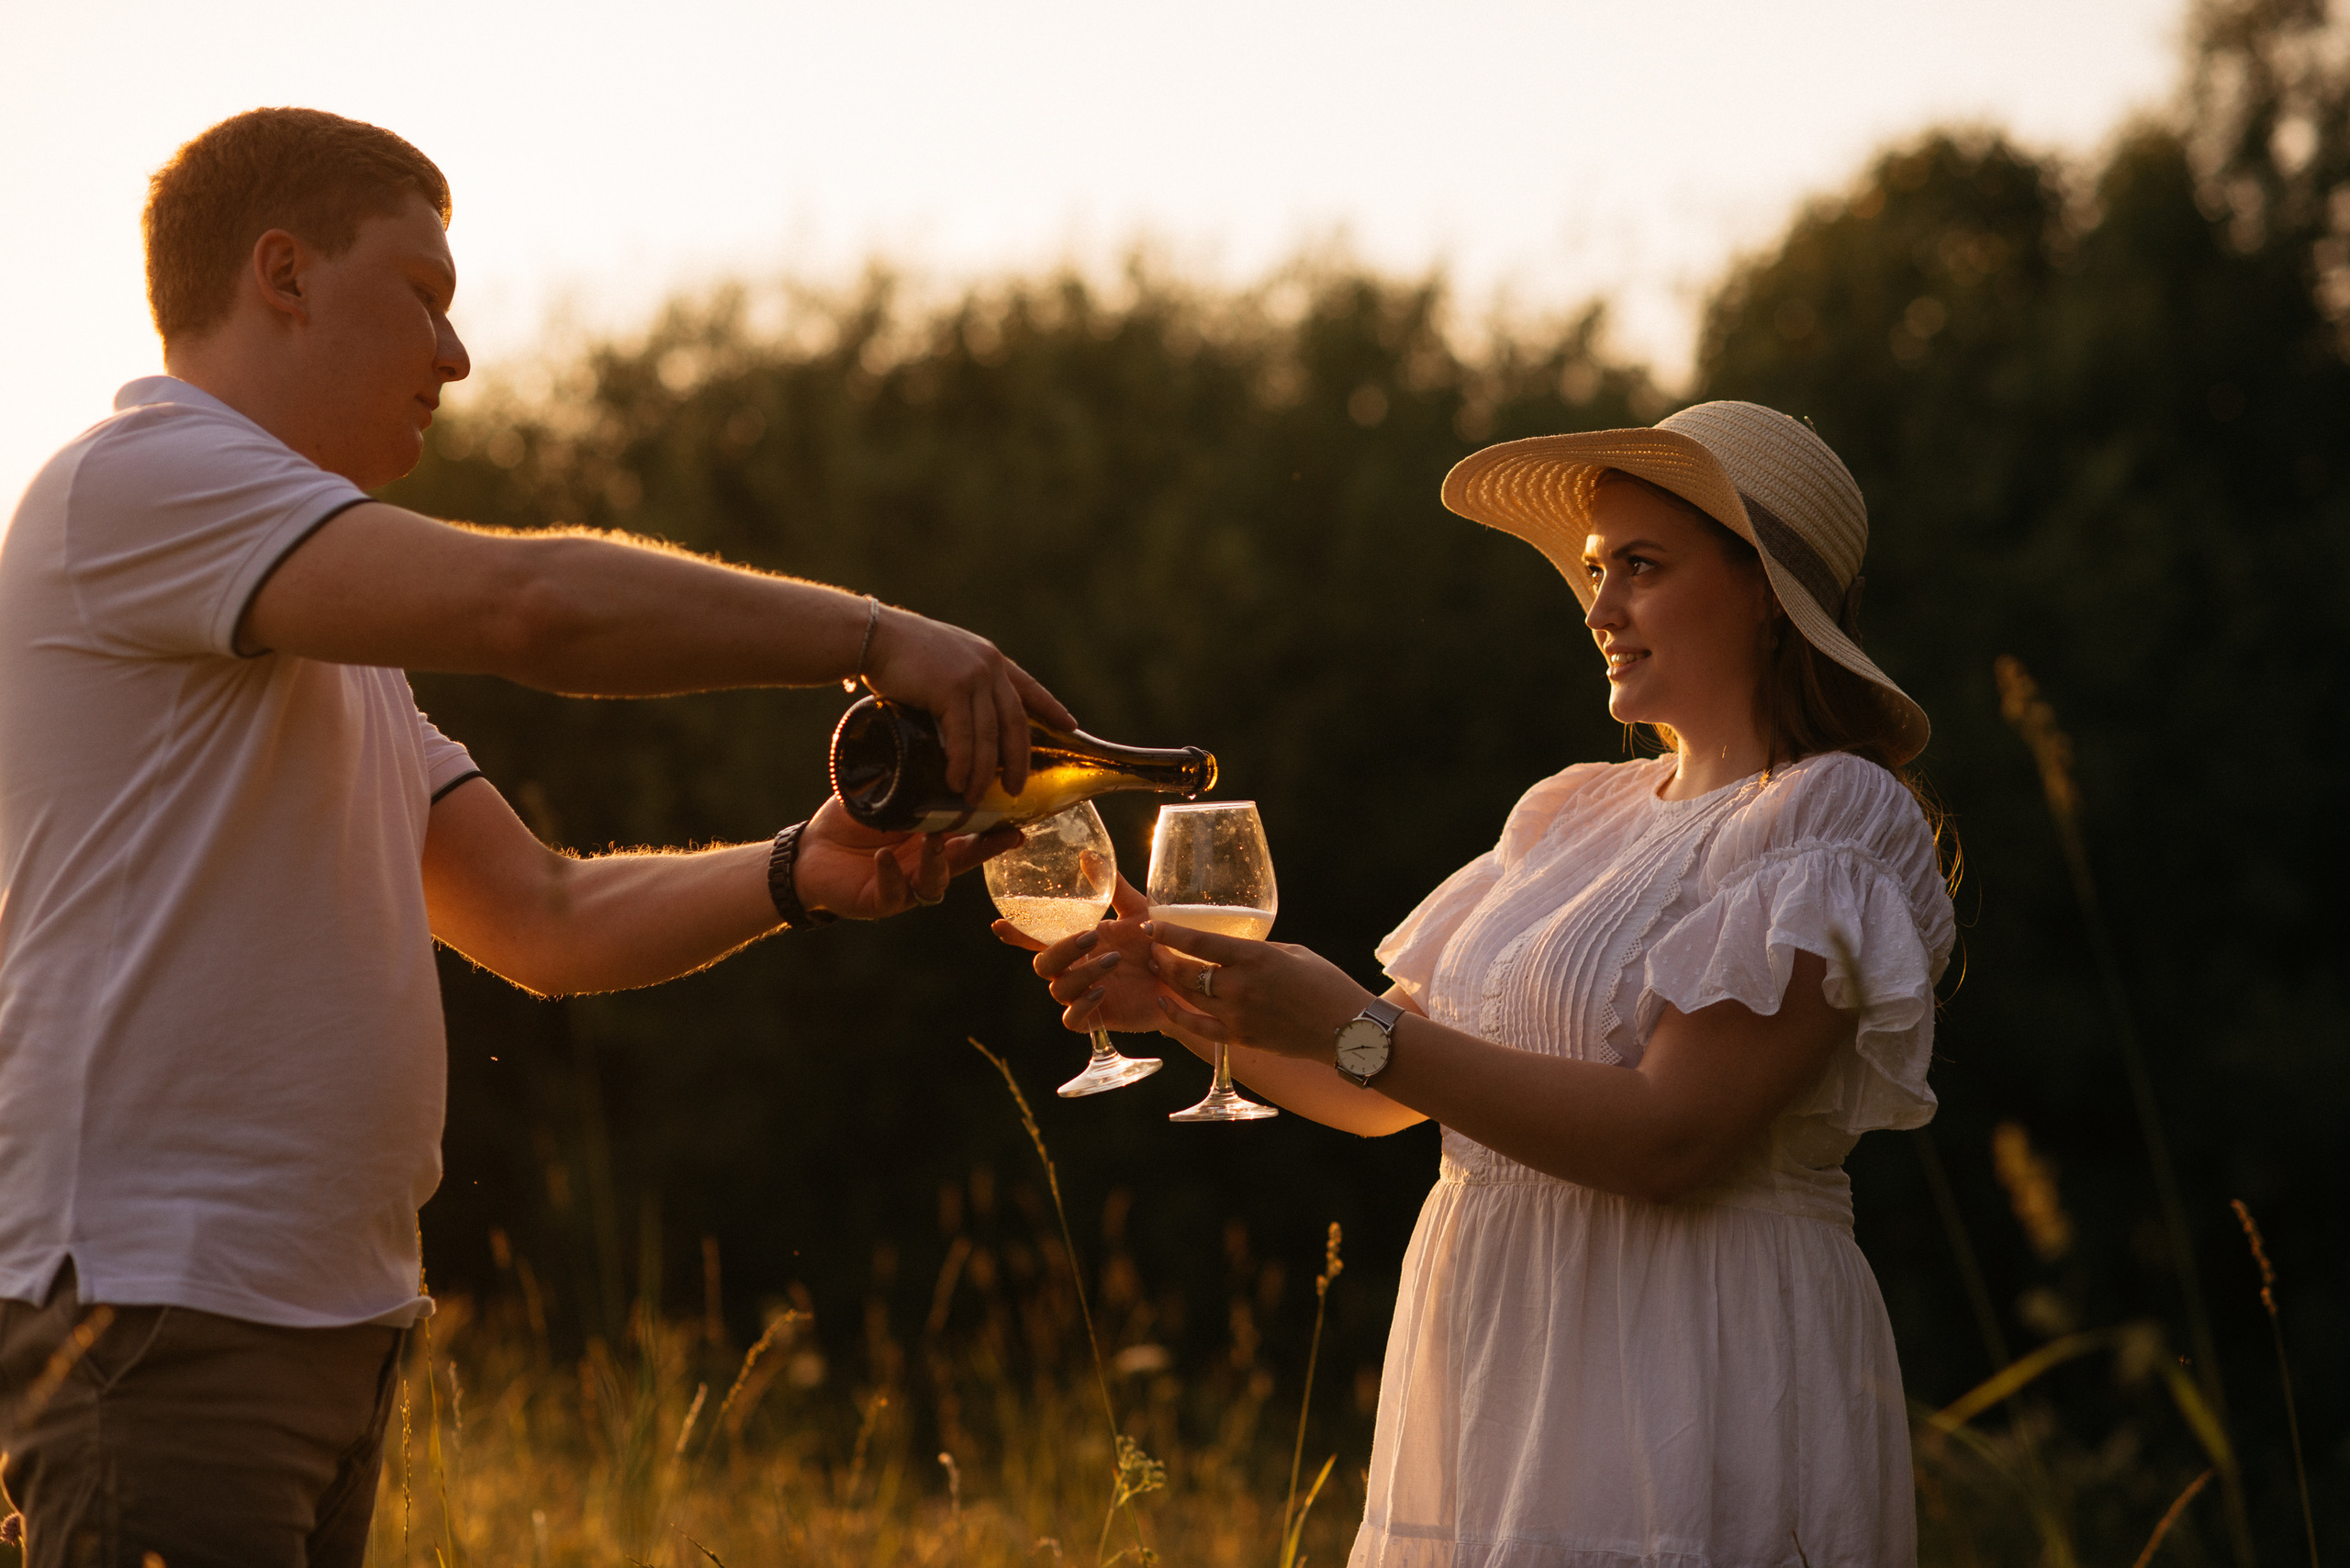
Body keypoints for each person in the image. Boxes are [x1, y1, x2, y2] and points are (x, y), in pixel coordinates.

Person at [0, 107, 1070, 1565]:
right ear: (284, 273)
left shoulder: (319, 639)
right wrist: (879, 636)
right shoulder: (138, 481)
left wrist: (796, 872)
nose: (455, 356)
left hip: (317, 1323)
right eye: (423, 295)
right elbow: (538, 610)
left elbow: (543, 918)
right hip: (165, 1322)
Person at [1011, 402, 1956, 1565]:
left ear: (1766, 593)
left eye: (1641, 568)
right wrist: (1177, 1000)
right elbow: (1376, 1091)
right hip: (1506, 1365)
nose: (1598, 609)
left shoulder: (1829, 815)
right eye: (1598, 570)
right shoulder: (1569, 813)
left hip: (1688, 1356)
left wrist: (1349, 1023)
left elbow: (1669, 1139)